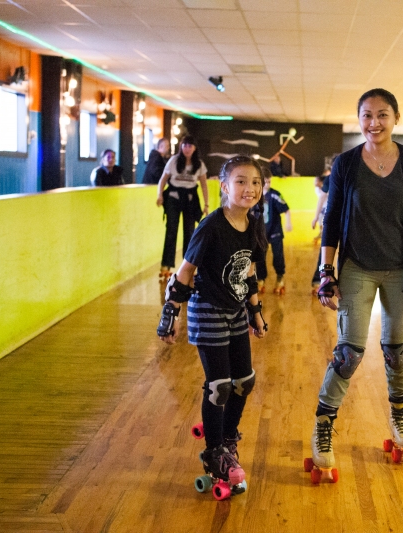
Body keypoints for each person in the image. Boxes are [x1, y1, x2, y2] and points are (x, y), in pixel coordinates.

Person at [309, 88, 403, 479]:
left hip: (402, 270)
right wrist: (325, 270)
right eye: (366, 115)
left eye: (382, 114)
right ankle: (323, 427)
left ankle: (399, 419)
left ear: (397, 117)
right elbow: (331, 219)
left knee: (398, 350)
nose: (374, 122)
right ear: (358, 118)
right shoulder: (346, 164)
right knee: (350, 353)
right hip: (357, 267)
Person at [156, 155, 268, 494]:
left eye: (255, 182)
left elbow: (247, 272)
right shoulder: (211, 226)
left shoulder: (254, 225)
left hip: (234, 310)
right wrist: (170, 315)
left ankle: (228, 439)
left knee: (244, 381)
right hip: (206, 309)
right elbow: (186, 270)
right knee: (219, 385)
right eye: (241, 181)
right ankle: (214, 451)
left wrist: (256, 312)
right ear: (224, 187)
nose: (249, 188)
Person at [156, 135, 210, 281]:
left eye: (190, 145)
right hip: (173, 196)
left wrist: (206, 204)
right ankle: (166, 265)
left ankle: (188, 266)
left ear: (194, 148)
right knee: (171, 230)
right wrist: (159, 195)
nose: (187, 148)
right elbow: (163, 180)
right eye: (185, 145)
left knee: (190, 233)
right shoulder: (174, 160)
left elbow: (204, 185)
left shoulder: (199, 164)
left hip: (190, 198)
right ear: (181, 146)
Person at [251, 175, 292, 294]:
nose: (267, 184)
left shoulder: (275, 195)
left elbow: (286, 209)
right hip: (261, 232)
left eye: (269, 181)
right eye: (265, 182)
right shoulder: (254, 195)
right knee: (260, 257)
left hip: (275, 231)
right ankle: (261, 279)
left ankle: (280, 277)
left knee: (278, 256)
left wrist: (288, 222)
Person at [311, 165, 331, 290]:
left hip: (346, 220)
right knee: (325, 250)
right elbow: (322, 198)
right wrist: (316, 217)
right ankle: (318, 279)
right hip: (329, 219)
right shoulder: (329, 180)